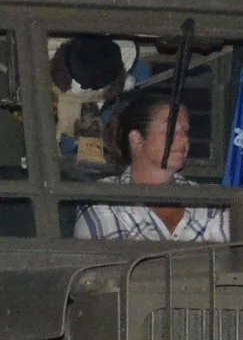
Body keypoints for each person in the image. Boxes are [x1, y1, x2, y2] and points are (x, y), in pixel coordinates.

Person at [73, 84, 229, 243]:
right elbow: (117, 264)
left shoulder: (211, 200)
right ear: (136, 138)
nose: (184, 139)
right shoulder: (102, 199)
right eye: (170, 131)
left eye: (185, 131)